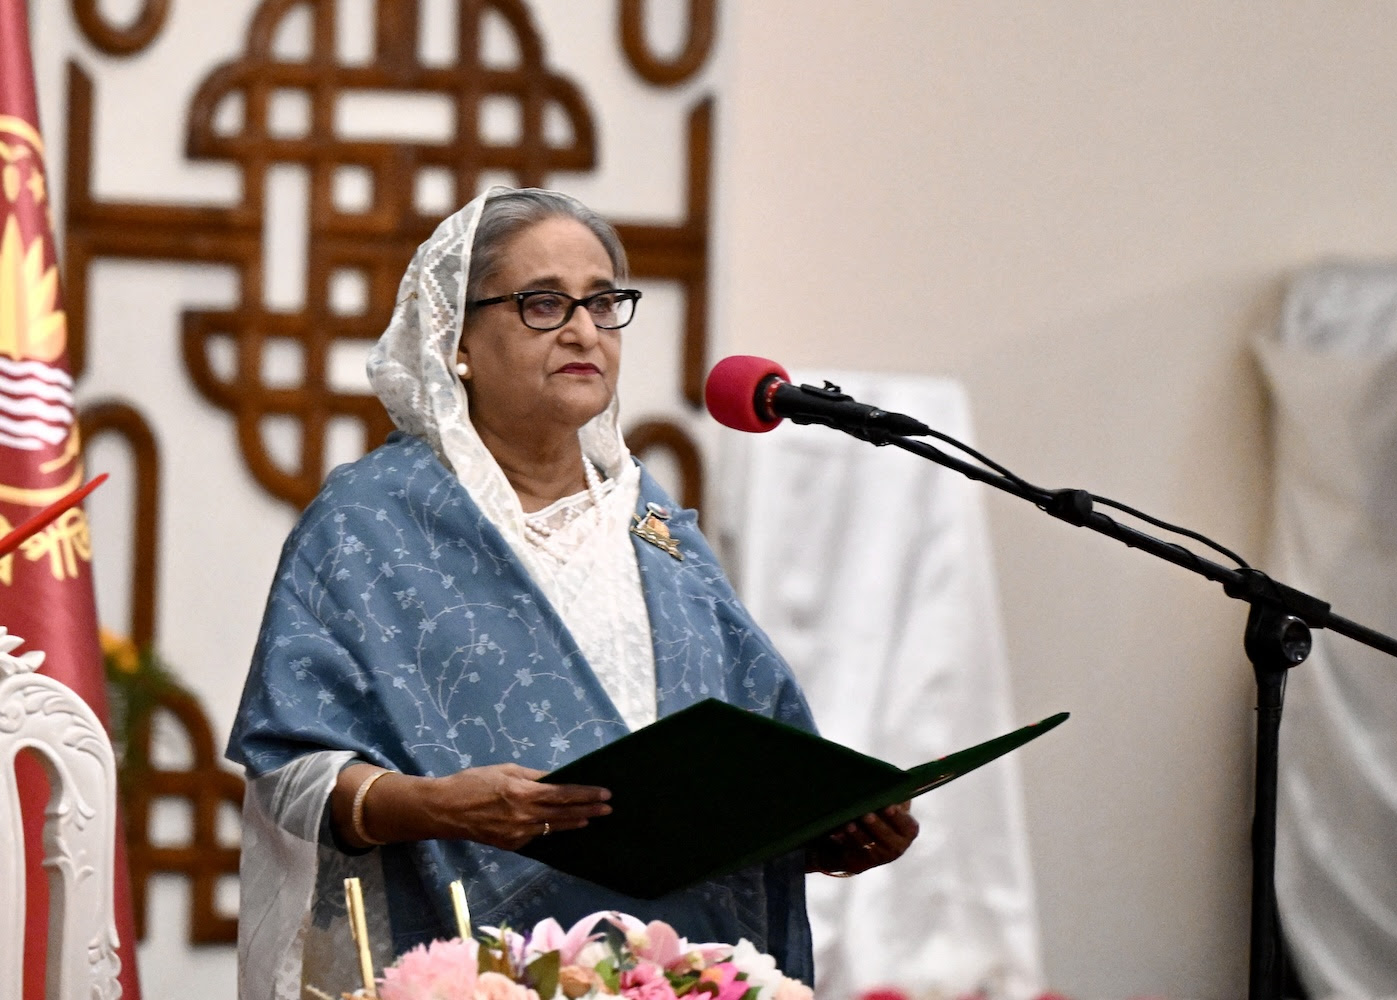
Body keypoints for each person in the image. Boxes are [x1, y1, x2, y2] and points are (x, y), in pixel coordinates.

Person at [226, 187, 919, 1000]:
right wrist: (433, 805)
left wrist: (827, 830)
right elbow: (290, 771)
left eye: (602, 303)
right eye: (543, 304)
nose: (584, 329)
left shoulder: (654, 525)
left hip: (679, 968)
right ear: (457, 341)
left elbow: (751, 764)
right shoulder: (368, 522)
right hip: (478, 967)